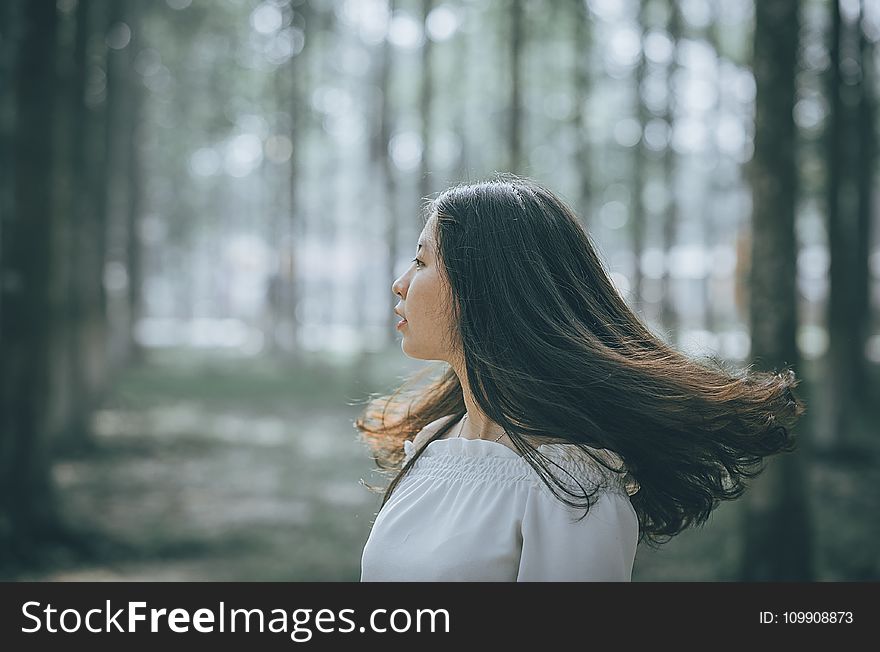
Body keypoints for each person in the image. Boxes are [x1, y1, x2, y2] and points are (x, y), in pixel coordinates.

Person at [356, 174, 805, 581]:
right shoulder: (433, 443)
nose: (400, 283)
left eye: (420, 262)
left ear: (485, 285)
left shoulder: (571, 492)